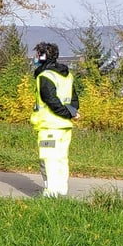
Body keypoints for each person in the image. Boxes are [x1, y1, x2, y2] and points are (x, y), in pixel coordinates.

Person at [29, 42, 79, 197]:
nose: (35, 57)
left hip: (49, 127)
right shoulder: (67, 75)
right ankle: (61, 192)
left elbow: (51, 100)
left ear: (43, 56)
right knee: (61, 159)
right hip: (64, 127)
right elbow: (74, 100)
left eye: (37, 54)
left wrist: (65, 113)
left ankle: (51, 194)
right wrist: (71, 114)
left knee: (48, 159)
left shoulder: (45, 76)